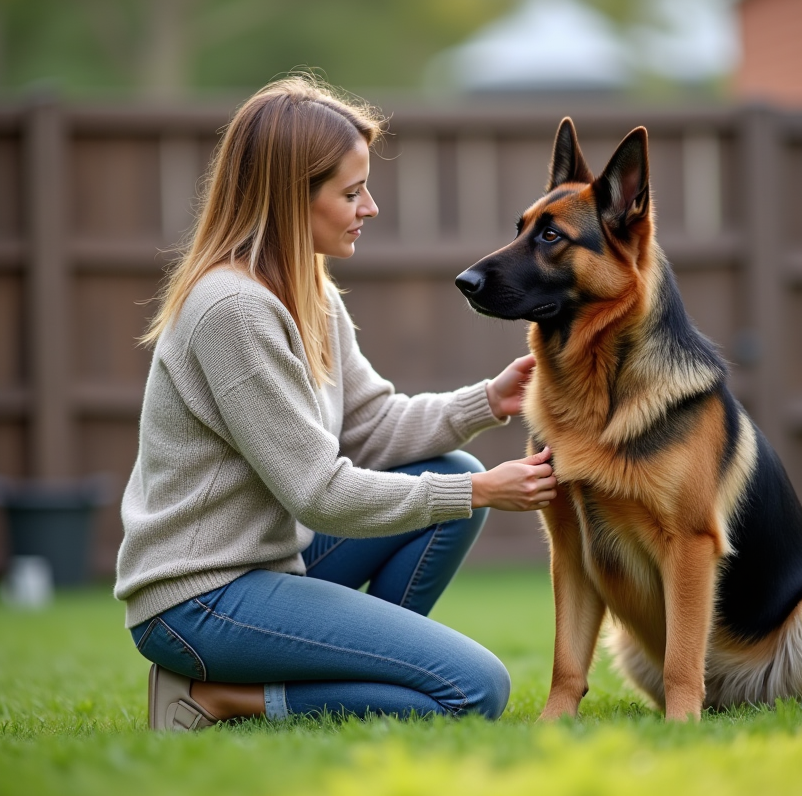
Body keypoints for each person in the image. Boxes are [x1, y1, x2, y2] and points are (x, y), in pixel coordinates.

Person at [113, 74, 557, 731]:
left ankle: (373, 671)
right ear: (293, 199)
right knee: (473, 691)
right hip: (198, 600)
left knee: (456, 472)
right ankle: (214, 699)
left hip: (269, 563)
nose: (370, 207)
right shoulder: (233, 309)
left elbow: (371, 426)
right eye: (352, 192)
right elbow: (318, 492)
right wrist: (484, 494)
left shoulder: (310, 293)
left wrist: (487, 401)